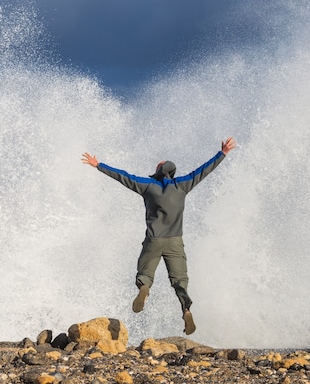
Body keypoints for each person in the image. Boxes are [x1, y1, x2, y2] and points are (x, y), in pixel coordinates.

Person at [81, 137, 236, 335]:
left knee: (145, 274)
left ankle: (144, 288)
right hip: (175, 242)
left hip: (153, 240)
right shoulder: (183, 185)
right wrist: (221, 153)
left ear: (158, 172)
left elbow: (123, 176)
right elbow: (203, 170)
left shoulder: (147, 186)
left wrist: (98, 165)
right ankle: (186, 309)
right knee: (180, 281)